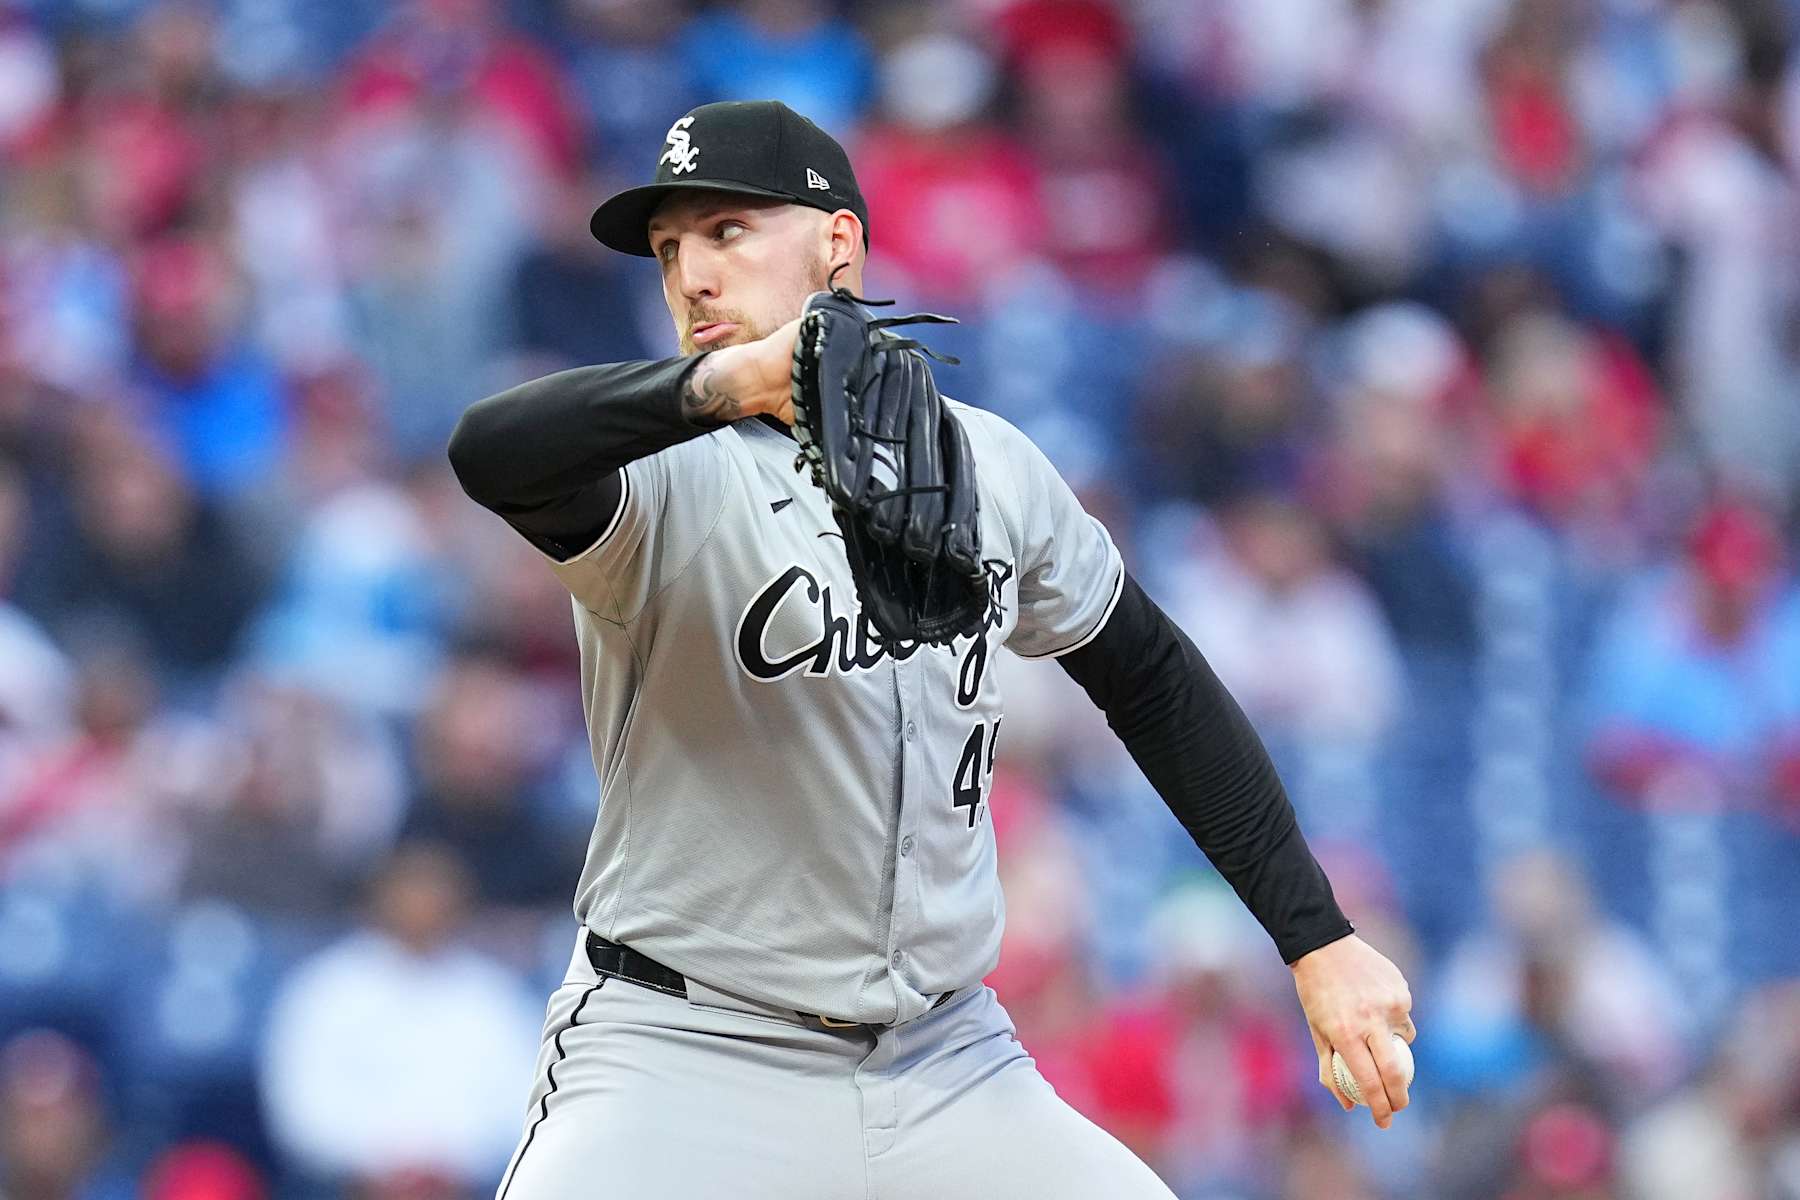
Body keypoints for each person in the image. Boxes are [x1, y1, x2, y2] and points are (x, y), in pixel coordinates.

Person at [447, 99, 1416, 1199]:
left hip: (944, 1061)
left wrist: (1316, 938)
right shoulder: (664, 475)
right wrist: (731, 387)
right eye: (670, 251)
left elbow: (1152, 678)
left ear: (839, 242)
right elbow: (491, 450)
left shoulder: (988, 467)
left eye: (725, 233)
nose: (691, 277)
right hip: (686, 1051)